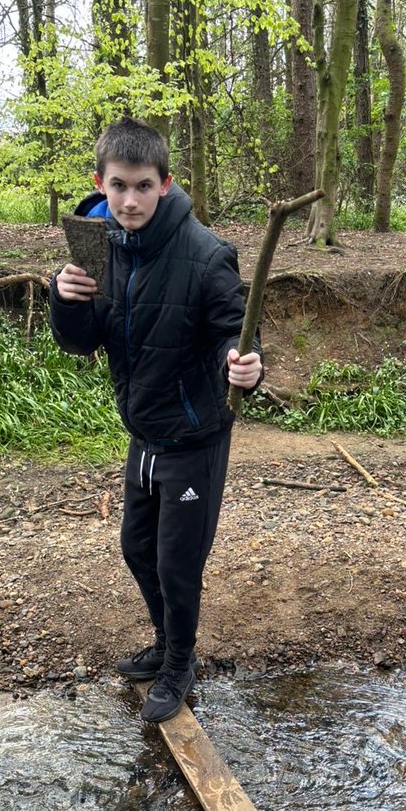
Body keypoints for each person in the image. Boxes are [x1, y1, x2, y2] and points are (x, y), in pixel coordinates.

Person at [49, 116, 262, 723]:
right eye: (118, 186)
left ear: (165, 184)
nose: (130, 199)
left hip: (194, 435)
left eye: (143, 186)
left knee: (176, 561)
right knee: (137, 548)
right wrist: (64, 301)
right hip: (142, 431)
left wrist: (245, 366)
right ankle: (166, 643)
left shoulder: (205, 253)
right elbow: (80, 341)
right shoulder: (99, 245)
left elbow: (235, 333)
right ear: (101, 182)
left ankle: (180, 664)